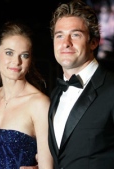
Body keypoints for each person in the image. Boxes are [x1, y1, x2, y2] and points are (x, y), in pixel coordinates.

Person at [0, 21, 53, 169]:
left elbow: (47, 166)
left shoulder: (39, 104)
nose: (16, 61)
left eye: (24, 55)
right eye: (9, 53)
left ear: (30, 60)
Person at [48, 0, 114, 168]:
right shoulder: (55, 94)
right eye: (59, 35)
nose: (66, 43)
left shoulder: (111, 88)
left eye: (75, 34)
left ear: (94, 42)